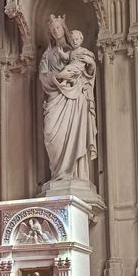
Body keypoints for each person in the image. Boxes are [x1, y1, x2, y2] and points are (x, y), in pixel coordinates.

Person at [39, 15, 97, 182]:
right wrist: (58, 75)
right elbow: (43, 78)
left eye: (58, 27)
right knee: (50, 133)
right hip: (55, 98)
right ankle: (59, 174)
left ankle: (75, 176)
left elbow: (87, 74)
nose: (55, 31)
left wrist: (91, 67)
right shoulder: (47, 55)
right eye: (52, 29)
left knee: (74, 135)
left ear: (63, 28)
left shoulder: (76, 49)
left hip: (74, 99)